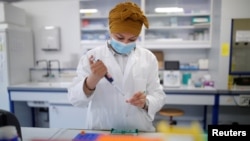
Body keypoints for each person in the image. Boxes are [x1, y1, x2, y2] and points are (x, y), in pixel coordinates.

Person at [67, 1, 167, 132]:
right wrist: (92, 79)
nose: (125, 43)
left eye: (132, 39)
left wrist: (145, 103)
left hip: (138, 130)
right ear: (110, 30)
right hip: (102, 129)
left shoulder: (148, 58)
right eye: (119, 37)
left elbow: (158, 96)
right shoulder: (92, 56)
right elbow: (75, 100)